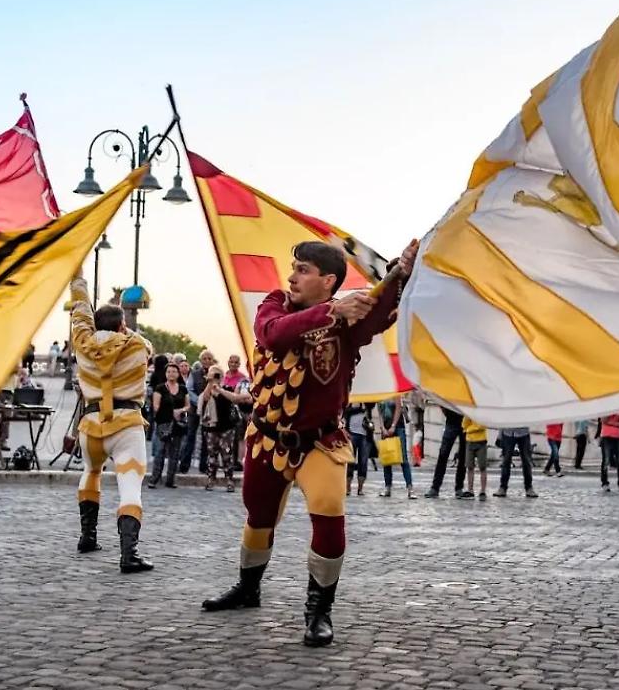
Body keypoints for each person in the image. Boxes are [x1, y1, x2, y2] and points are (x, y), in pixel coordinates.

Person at [202, 238, 417, 648]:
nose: (292, 277)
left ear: (328, 280)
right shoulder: (274, 304)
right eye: (294, 267)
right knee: (258, 517)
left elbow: (379, 310)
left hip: (320, 442)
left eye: (303, 270)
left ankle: (319, 611)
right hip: (267, 439)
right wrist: (333, 312)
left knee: (329, 513)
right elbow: (272, 335)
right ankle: (248, 588)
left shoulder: (350, 321)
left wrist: (401, 274)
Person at [69, 273, 154, 574]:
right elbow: (148, 347)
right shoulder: (136, 344)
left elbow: (80, 313)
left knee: (90, 472)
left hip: (91, 424)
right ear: (122, 325)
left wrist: (78, 281)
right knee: (130, 487)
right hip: (126, 424)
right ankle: (129, 554)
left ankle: (87, 536)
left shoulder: (82, 343)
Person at [199, 364, 251, 492]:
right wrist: (210, 383)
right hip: (211, 427)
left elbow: (234, 398)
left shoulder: (227, 388)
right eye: (213, 374)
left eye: (217, 375)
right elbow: (204, 398)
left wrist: (220, 389)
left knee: (227, 454)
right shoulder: (206, 389)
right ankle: (211, 479)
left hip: (226, 427)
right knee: (212, 455)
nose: (215, 377)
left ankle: (229, 480)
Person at [148, 363, 189, 490]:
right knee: (160, 451)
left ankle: (170, 480)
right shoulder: (160, 388)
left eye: (174, 371)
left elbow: (188, 405)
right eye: (169, 371)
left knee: (175, 453)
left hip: (178, 424)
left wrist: (181, 410)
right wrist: (169, 411)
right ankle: (154, 479)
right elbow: (156, 406)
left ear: (178, 374)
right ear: (165, 374)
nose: (171, 374)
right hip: (163, 423)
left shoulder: (183, 388)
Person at [424, 406, 467, 499]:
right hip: (452, 420)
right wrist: (446, 411)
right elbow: (442, 401)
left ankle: (458, 487)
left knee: (463, 456)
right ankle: (435, 487)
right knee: (443, 454)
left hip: (465, 421)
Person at [377, 396, 415, 499]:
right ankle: (387, 487)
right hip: (385, 428)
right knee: (387, 458)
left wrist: (393, 426)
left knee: (403, 458)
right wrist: (382, 427)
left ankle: (410, 488)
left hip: (398, 428)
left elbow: (398, 408)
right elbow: (380, 412)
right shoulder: (380, 393)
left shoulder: (395, 392)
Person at [492, 426, 538, 498]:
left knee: (526, 461)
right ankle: (503, 487)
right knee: (506, 461)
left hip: (523, 432)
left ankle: (529, 487)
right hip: (508, 432)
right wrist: (500, 435)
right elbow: (502, 420)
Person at [344, 402, 373, 497]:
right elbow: (345, 412)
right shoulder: (350, 402)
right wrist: (358, 408)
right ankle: (348, 487)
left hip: (365, 435)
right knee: (350, 461)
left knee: (363, 462)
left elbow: (373, 404)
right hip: (351, 434)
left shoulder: (367, 402)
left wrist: (365, 404)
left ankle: (360, 488)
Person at [459, 416, 489, 500]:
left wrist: (469, 429)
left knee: (482, 466)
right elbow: (464, 425)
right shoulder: (469, 413)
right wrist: (472, 428)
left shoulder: (482, 412)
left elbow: (482, 426)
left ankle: (483, 491)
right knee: (469, 466)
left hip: (481, 441)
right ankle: (470, 490)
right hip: (470, 441)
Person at [596, 413, 619, 493]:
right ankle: (605, 483)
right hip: (606, 436)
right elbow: (603, 420)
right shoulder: (607, 408)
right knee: (606, 460)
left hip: (618, 436)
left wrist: (610, 423)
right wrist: (615, 422)